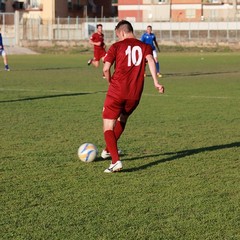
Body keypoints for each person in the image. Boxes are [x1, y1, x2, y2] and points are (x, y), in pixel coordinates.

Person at [101, 20, 164, 173]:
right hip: (135, 94)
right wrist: (156, 82)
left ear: (122, 32)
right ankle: (108, 150)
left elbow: (105, 68)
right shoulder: (145, 47)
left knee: (108, 126)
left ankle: (115, 161)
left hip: (117, 91)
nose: (118, 38)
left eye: (117, 35)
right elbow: (150, 61)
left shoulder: (117, 46)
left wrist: (109, 80)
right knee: (122, 119)